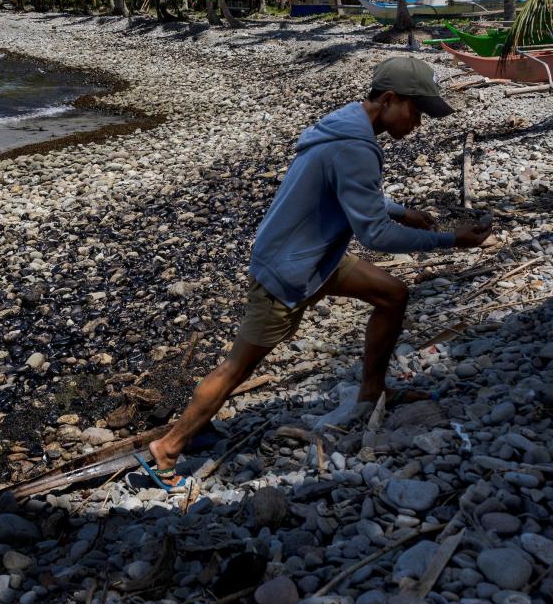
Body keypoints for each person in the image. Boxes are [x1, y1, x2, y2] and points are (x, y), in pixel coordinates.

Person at [141, 57, 492, 493]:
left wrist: (401, 209)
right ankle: (168, 448)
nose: (418, 122)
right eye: (416, 111)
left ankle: (371, 392)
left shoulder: (348, 125)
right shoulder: (355, 145)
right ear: (388, 99)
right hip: (288, 271)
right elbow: (375, 233)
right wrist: (449, 241)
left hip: (316, 258)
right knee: (237, 368)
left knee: (392, 294)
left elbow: (352, 193)